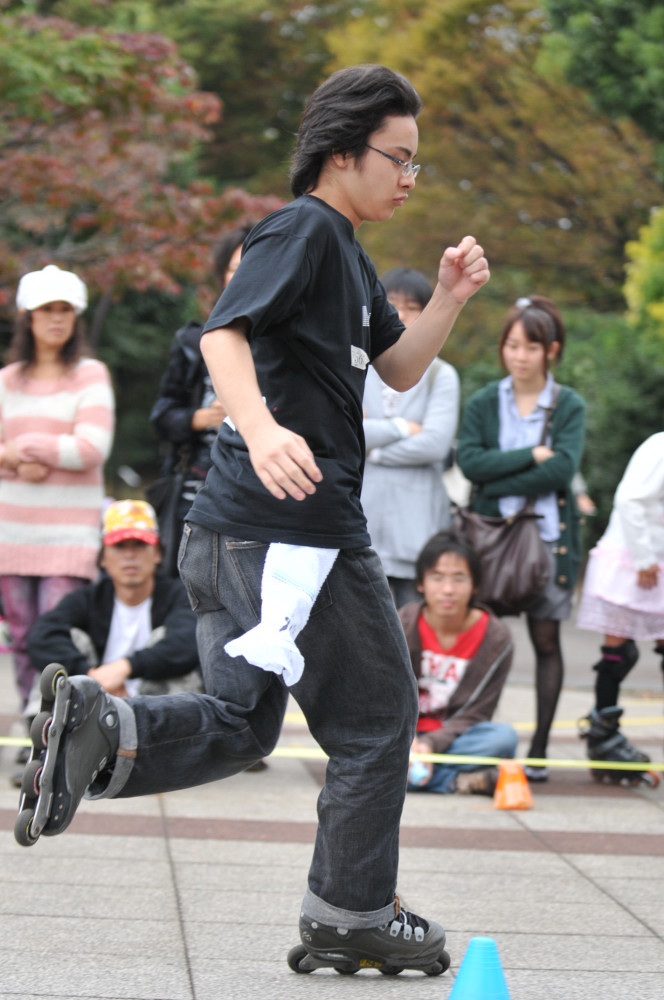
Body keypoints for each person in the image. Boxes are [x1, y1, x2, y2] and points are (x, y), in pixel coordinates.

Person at [16, 65, 489, 976]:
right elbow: (221, 334)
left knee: (243, 721)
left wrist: (451, 297)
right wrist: (264, 428)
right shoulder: (302, 229)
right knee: (378, 720)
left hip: (241, 531)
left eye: (415, 163)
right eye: (398, 157)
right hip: (290, 532)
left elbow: (397, 370)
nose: (408, 178)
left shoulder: (346, 252)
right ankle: (352, 912)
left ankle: (104, 730)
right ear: (342, 151)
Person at [457, 295, 585, 782]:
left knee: (547, 641)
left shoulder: (568, 404)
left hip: (548, 543)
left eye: (531, 347)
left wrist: (498, 478)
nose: (520, 356)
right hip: (489, 539)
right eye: (512, 345)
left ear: (551, 350)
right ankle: (472, 740)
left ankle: (540, 749)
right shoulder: (484, 401)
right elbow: (470, 462)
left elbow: (563, 470)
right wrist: (531, 455)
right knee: (480, 639)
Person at [0, 264, 114, 720]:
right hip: (12, 531)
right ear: (28, 316)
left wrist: (21, 449)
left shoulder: (90, 375)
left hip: (69, 535)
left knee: (56, 635)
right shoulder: (7, 380)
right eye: (47, 309)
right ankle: (34, 728)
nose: (56, 318)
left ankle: (56, 725)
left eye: (65, 309)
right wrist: (18, 458)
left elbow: (91, 448)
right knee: (21, 636)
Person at [149, 225, 252, 575]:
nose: (243, 277)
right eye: (235, 269)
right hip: (194, 497)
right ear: (221, 276)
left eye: (253, 267)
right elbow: (162, 416)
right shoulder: (195, 343)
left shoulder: (288, 345)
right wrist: (203, 418)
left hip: (258, 501)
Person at [27, 499, 200, 700]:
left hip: (158, 710)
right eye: (119, 545)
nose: (129, 555)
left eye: (140, 544)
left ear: (157, 553)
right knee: (59, 658)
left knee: (173, 642)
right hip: (92, 705)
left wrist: (126, 667)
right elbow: (41, 636)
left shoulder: (179, 595)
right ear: (103, 557)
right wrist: (90, 676)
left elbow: (188, 641)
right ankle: (44, 721)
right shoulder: (88, 599)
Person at [362, 267, 459, 607]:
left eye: (412, 307)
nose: (401, 315)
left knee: (412, 623)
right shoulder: (357, 367)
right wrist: (403, 428)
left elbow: (435, 445)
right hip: (362, 520)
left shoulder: (441, 374)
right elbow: (346, 432)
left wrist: (372, 451)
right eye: (392, 304)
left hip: (417, 527)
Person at [401, 531, 517, 795]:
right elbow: (383, 698)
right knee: (361, 737)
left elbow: (478, 713)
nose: (448, 590)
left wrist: (430, 746)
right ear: (421, 583)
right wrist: (409, 742)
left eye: (459, 578)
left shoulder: (496, 637)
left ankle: (405, 776)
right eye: (437, 577)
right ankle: (455, 781)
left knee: (503, 739)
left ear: (475, 585)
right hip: (403, 736)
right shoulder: (400, 625)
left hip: (455, 738)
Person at [576, 432, 664, 769]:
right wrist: (643, 558)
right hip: (633, 563)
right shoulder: (659, 446)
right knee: (618, 655)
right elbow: (629, 499)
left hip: (657, 563)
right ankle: (603, 738)